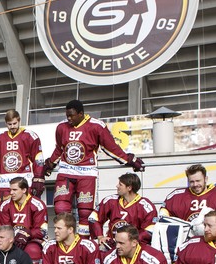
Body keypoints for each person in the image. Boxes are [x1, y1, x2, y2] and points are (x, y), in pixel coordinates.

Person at [43, 100, 145, 237]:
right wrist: (50, 164)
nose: (69, 118)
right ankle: (65, 239)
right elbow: (60, 149)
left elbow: (111, 148)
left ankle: (84, 242)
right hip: (66, 171)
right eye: (67, 115)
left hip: (87, 173)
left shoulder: (97, 126)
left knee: (85, 212)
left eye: (71, 115)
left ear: (81, 114)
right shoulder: (62, 127)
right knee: (60, 208)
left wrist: (129, 160)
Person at [159, 164, 216, 233]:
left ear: (206, 179)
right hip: (189, 245)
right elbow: (163, 217)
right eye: (191, 182)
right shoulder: (176, 197)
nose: (195, 185)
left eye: (198, 181)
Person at [0, 177, 47, 264]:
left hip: (32, 240)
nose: (11, 193)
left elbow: (42, 230)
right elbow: (3, 228)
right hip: (11, 239)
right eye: (10, 190)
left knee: (32, 250)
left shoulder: (37, 204)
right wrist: (14, 237)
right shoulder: (5, 205)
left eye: (15, 190)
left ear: (24, 190)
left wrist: (26, 234)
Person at [90, 173, 157, 249]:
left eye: (120, 184)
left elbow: (149, 230)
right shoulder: (111, 201)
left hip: (134, 247)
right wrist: (100, 236)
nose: (117, 186)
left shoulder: (146, 207)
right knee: (100, 249)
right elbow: (94, 218)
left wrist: (129, 242)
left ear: (129, 188)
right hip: (112, 245)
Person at [0, 109, 45, 200]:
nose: (12, 126)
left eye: (14, 123)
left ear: (19, 121)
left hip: (24, 182)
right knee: (4, 211)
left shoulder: (30, 136)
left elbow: (38, 159)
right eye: (9, 124)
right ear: (6, 123)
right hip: (5, 183)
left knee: (25, 210)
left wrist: (38, 178)